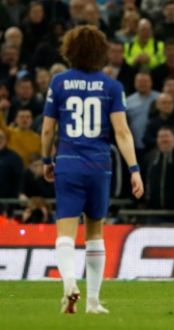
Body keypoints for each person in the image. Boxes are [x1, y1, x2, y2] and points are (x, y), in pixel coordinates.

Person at [41, 26, 144, 314]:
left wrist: (46, 160)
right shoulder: (112, 86)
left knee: (66, 229)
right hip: (99, 165)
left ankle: (69, 283)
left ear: (70, 50)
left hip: (68, 163)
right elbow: (122, 133)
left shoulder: (59, 83)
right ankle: (93, 301)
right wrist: (134, 170)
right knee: (95, 231)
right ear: (100, 52)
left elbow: (48, 128)